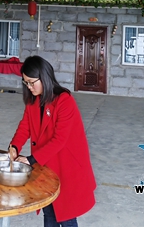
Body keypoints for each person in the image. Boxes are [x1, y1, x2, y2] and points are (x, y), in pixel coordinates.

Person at [9, 56, 96, 227]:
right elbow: (25, 126)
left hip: (66, 165)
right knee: (49, 211)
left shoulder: (64, 101)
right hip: (47, 164)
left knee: (66, 215)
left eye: (32, 82)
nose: (29, 87)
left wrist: (30, 160)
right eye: (25, 83)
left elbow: (60, 140)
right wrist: (14, 146)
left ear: (45, 77)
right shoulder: (33, 101)